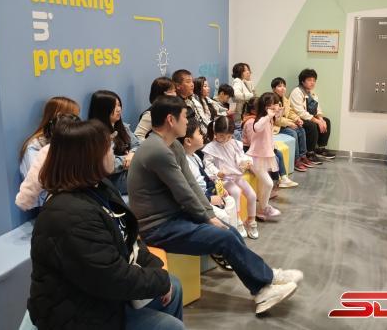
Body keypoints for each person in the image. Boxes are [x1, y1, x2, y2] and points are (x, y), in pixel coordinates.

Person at [127, 96, 302, 314]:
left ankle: (266, 277)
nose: (187, 122)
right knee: (224, 237)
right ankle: (263, 289)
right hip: (158, 228)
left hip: (174, 217)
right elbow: (184, 193)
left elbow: (191, 185)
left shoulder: (173, 146)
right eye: (184, 117)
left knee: (229, 230)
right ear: (171, 120)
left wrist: (210, 215)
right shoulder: (157, 150)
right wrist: (208, 218)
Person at [28, 118, 184, 330]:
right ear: (88, 158)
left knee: (174, 285)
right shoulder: (69, 215)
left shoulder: (100, 187)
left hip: (101, 295)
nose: (114, 152)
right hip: (77, 314)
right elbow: (111, 277)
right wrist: (159, 280)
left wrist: (155, 269)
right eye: (108, 148)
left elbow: (129, 237)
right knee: (170, 326)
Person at [203, 116, 259, 238]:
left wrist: (245, 162)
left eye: (229, 136)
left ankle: (251, 220)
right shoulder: (210, 147)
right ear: (215, 132)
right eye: (222, 136)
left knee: (252, 195)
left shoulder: (234, 143)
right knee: (236, 192)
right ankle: (237, 220)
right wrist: (217, 172)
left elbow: (241, 156)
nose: (225, 139)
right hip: (223, 179)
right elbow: (207, 164)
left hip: (237, 176)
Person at [179, 119, 238, 230]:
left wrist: (218, 188)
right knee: (223, 216)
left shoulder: (195, 156)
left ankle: (234, 232)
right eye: (199, 133)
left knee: (231, 201)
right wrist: (209, 199)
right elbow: (189, 191)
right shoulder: (184, 162)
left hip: (208, 193)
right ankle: (228, 235)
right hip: (201, 200)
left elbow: (205, 178)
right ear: (188, 141)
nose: (203, 135)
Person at [15, 114, 80, 211]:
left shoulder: (48, 151)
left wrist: (24, 201)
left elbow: (34, 180)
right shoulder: (86, 149)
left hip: (60, 202)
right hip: (79, 198)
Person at [245, 93, 289, 220]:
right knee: (269, 183)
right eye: (270, 104)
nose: (274, 106)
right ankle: (264, 207)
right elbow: (257, 128)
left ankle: (261, 211)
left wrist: (276, 112)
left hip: (265, 156)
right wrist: (269, 115)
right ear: (264, 106)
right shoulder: (258, 120)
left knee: (263, 184)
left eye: (275, 103)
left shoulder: (269, 119)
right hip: (255, 157)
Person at [88, 90, 140, 195]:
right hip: (112, 180)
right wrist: (126, 159)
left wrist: (132, 154)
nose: (119, 109)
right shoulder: (94, 133)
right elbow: (104, 165)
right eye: (114, 106)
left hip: (129, 171)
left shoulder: (122, 126)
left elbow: (137, 144)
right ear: (103, 109)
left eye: (119, 105)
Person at [242, 96, 298, 193]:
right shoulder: (252, 122)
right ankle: (275, 183)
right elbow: (253, 142)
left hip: (260, 148)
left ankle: (283, 178)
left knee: (278, 153)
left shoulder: (264, 119)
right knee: (274, 158)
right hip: (251, 150)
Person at [19, 96, 80, 179]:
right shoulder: (35, 147)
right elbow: (37, 181)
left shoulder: (66, 142)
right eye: (72, 118)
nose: (75, 123)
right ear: (58, 118)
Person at [289, 69, 336, 162]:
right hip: (298, 119)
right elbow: (300, 112)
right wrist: (317, 121)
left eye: (314, 80)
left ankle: (321, 149)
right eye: (309, 80)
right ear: (303, 81)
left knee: (326, 121)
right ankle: (309, 153)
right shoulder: (296, 92)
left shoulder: (312, 94)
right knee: (312, 125)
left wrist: (321, 120)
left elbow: (318, 109)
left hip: (309, 117)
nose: (312, 83)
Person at [271, 77, 316, 172]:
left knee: (301, 129)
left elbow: (290, 111)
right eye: (279, 86)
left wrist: (297, 119)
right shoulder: (272, 100)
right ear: (274, 89)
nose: (283, 88)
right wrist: (290, 123)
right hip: (275, 126)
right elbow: (276, 119)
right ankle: (296, 160)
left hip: (283, 123)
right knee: (293, 133)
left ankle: (303, 156)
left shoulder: (285, 99)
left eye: (284, 86)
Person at [135, 77, 176, 141]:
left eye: (174, 91)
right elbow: (138, 136)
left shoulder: (170, 110)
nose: (175, 94)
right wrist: (153, 145)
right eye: (172, 91)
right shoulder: (150, 114)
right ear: (163, 94)